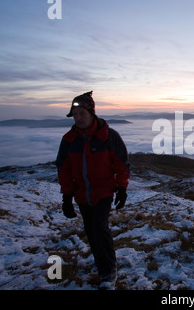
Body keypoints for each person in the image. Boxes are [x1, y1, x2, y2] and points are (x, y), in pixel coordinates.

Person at [56, 91, 130, 290]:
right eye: (75, 114)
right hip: (82, 195)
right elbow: (64, 169)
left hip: (104, 192)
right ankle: (102, 264)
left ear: (92, 113)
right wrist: (66, 197)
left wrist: (122, 188)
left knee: (99, 227)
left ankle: (108, 272)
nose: (78, 118)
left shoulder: (109, 136)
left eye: (82, 113)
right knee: (91, 231)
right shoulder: (69, 140)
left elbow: (121, 164)